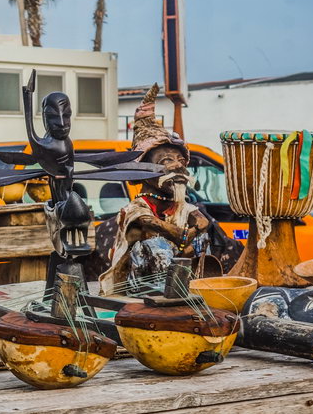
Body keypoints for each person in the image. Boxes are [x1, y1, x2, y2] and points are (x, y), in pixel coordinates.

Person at [95, 84, 241, 294]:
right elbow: (160, 228)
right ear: (144, 171)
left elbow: (203, 222)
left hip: (179, 278)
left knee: (202, 240)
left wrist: (190, 236)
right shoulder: (137, 209)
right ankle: (167, 294)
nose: (178, 166)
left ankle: (195, 288)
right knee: (157, 247)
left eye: (181, 160)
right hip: (141, 286)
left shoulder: (180, 205)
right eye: (166, 160)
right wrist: (186, 238)